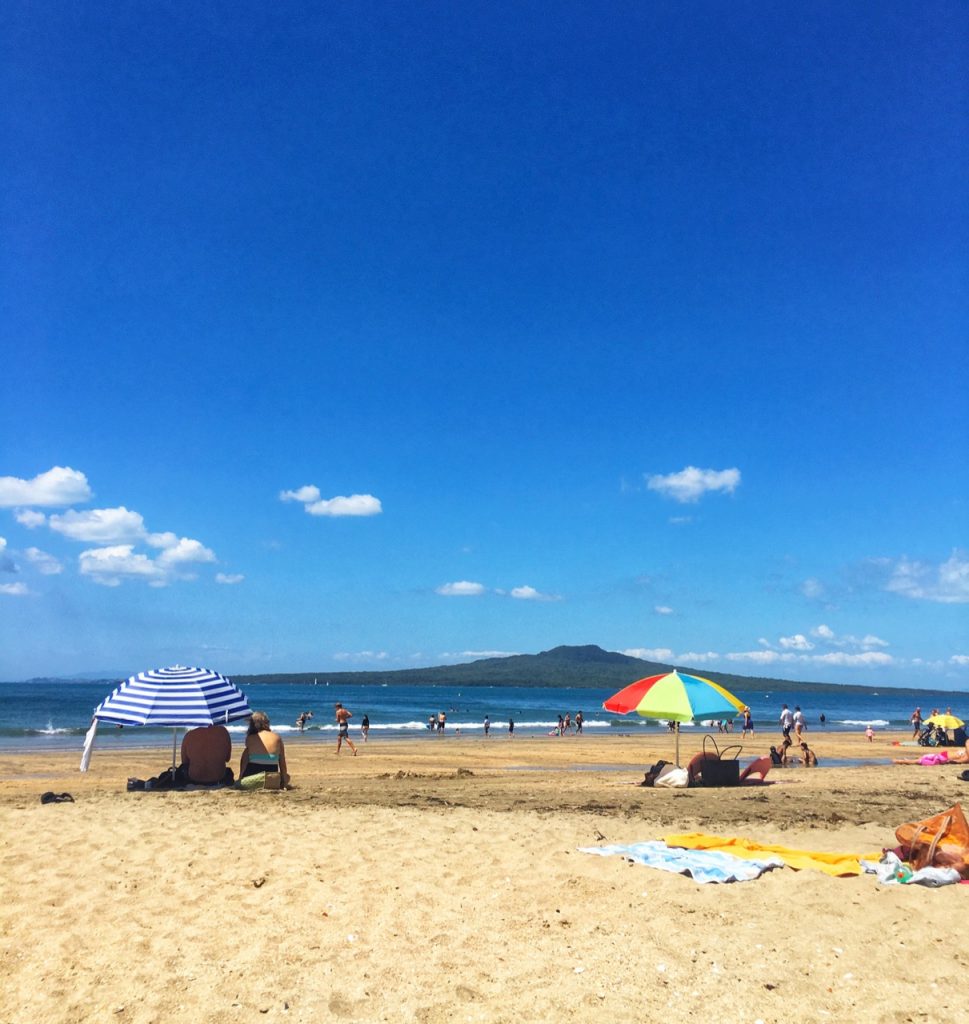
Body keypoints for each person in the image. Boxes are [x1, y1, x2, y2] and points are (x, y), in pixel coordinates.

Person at [239, 711, 290, 786]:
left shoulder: (250, 738)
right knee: (287, 776)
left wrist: (241, 777)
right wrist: (283, 781)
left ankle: (240, 776)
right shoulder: (277, 737)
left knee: (246, 752)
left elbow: (245, 761)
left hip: (253, 779)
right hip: (271, 779)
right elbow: (282, 763)